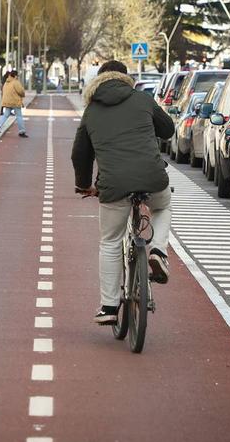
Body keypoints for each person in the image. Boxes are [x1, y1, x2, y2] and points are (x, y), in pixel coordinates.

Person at [71, 60, 174, 325]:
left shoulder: (91, 111)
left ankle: (109, 307)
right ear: (126, 79)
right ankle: (158, 252)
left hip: (113, 185)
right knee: (162, 207)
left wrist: (84, 185)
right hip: (152, 176)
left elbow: (80, 153)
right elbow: (169, 129)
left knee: (110, 241)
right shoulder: (142, 99)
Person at [0, 70, 27, 137]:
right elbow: (21, 91)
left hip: (7, 102)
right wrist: (23, 94)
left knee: (6, 115)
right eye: (17, 76)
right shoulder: (15, 82)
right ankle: (22, 131)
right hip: (15, 101)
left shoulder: (6, 82)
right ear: (15, 76)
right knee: (19, 116)